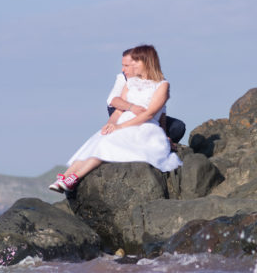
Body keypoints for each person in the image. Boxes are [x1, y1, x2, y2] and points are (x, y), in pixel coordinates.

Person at [49, 45, 183, 192]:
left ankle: (75, 177)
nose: (132, 65)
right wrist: (111, 124)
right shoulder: (130, 82)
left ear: (147, 62)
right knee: (97, 140)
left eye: (135, 62)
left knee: (106, 145)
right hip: (123, 122)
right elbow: (118, 110)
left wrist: (120, 127)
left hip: (144, 126)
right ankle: (63, 178)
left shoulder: (162, 85)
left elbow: (149, 114)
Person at [106, 49, 186, 144]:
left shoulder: (160, 83)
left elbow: (161, 111)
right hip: (123, 111)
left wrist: (163, 134)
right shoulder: (124, 78)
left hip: (148, 115)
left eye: (127, 65)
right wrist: (132, 108)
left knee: (178, 126)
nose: (123, 69)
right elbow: (112, 101)